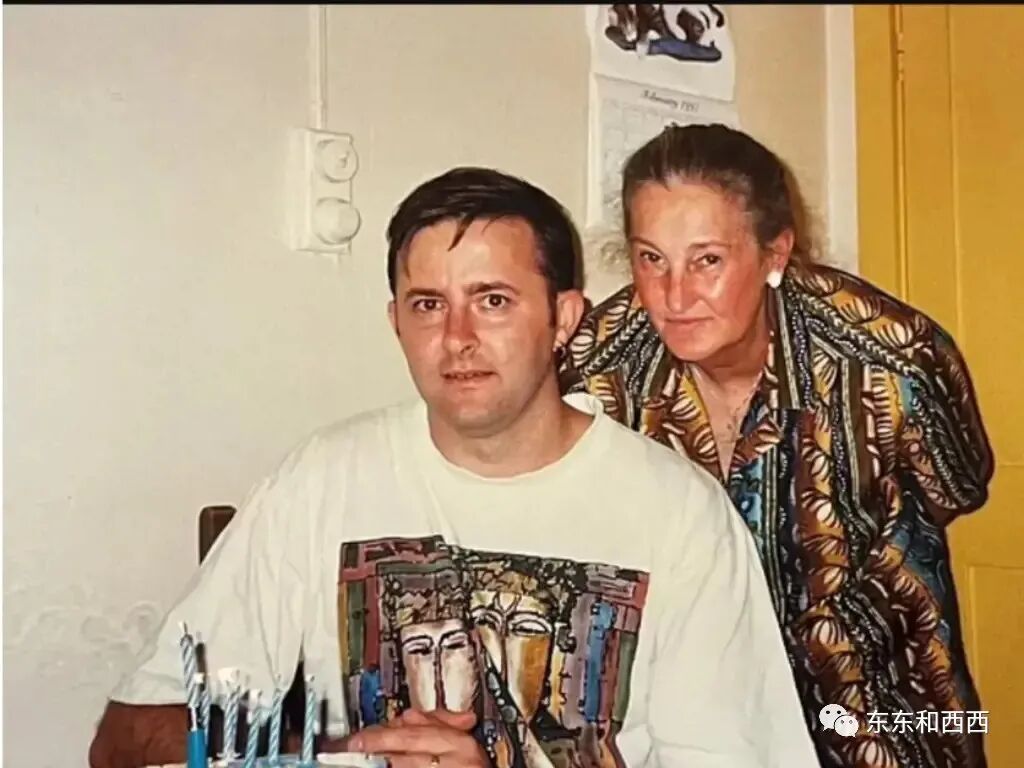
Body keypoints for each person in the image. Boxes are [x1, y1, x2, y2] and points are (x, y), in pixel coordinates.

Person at [88, 167, 820, 768]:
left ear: (564, 319)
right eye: (428, 305)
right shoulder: (322, 481)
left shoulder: (680, 517)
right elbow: (124, 738)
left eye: (493, 301)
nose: (457, 337)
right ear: (396, 323)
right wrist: (347, 753)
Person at [559, 124, 994, 768]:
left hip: (881, 706)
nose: (675, 296)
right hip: (693, 717)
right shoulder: (599, 365)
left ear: (775, 254)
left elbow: (957, 486)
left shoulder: (892, 361)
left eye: (707, 260)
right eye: (652, 259)